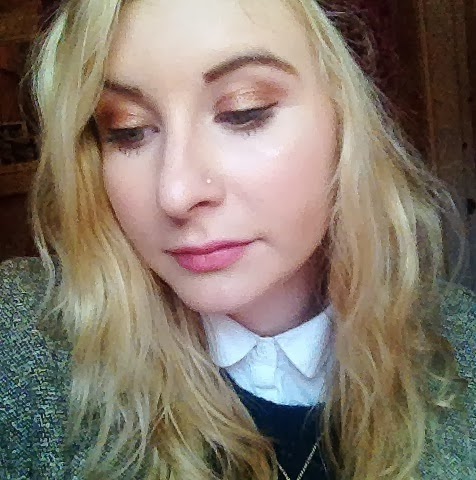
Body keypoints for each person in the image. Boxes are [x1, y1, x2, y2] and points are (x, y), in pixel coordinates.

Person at [0, 0, 474, 479]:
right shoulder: (23, 340)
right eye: (128, 130)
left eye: (244, 111)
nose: (176, 193)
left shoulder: (465, 342)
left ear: (350, 119)